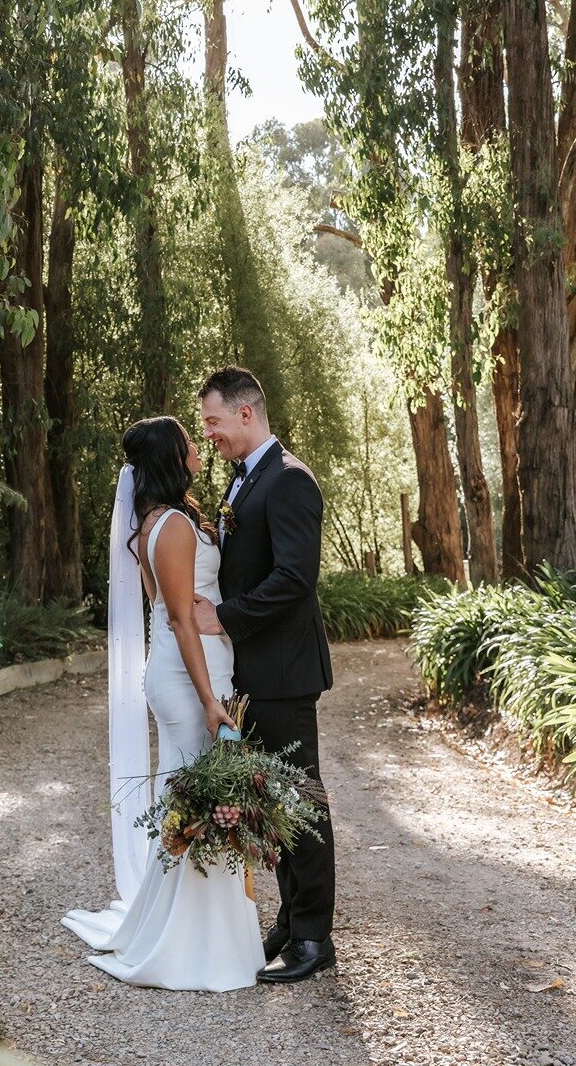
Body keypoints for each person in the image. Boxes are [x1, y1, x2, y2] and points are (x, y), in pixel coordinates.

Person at [62, 415, 264, 991]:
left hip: (186, 669)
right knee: (203, 794)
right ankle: (193, 943)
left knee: (190, 791)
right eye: (188, 443)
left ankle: (190, 928)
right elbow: (178, 618)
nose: (198, 448)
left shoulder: (157, 519)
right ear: (171, 459)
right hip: (188, 674)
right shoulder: (172, 525)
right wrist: (208, 699)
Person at [194, 364, 336, 984]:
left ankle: (313, 936)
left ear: (246, 413)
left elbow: (295, 578)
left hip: (282, 669)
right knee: (274, 801)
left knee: (300, 802)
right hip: (253, 670)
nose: (210, 434)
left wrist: (224, 618)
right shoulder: (242, 481)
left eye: (215, 421)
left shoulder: (289, 481)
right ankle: (288, 919)